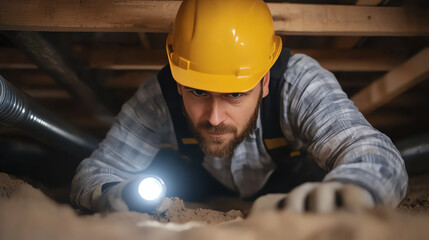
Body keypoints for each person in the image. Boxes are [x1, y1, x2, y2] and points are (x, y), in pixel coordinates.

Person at [70, 0, 408, 214]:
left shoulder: (299, 83)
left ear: (263, 82)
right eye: (198, 92)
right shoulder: (156, 98)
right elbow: (96, 172)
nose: (214, 118)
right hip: (201, 185)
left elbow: (370, 149)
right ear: (178, 82)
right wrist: (112, 194)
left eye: (234, 95)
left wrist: (353, 191)